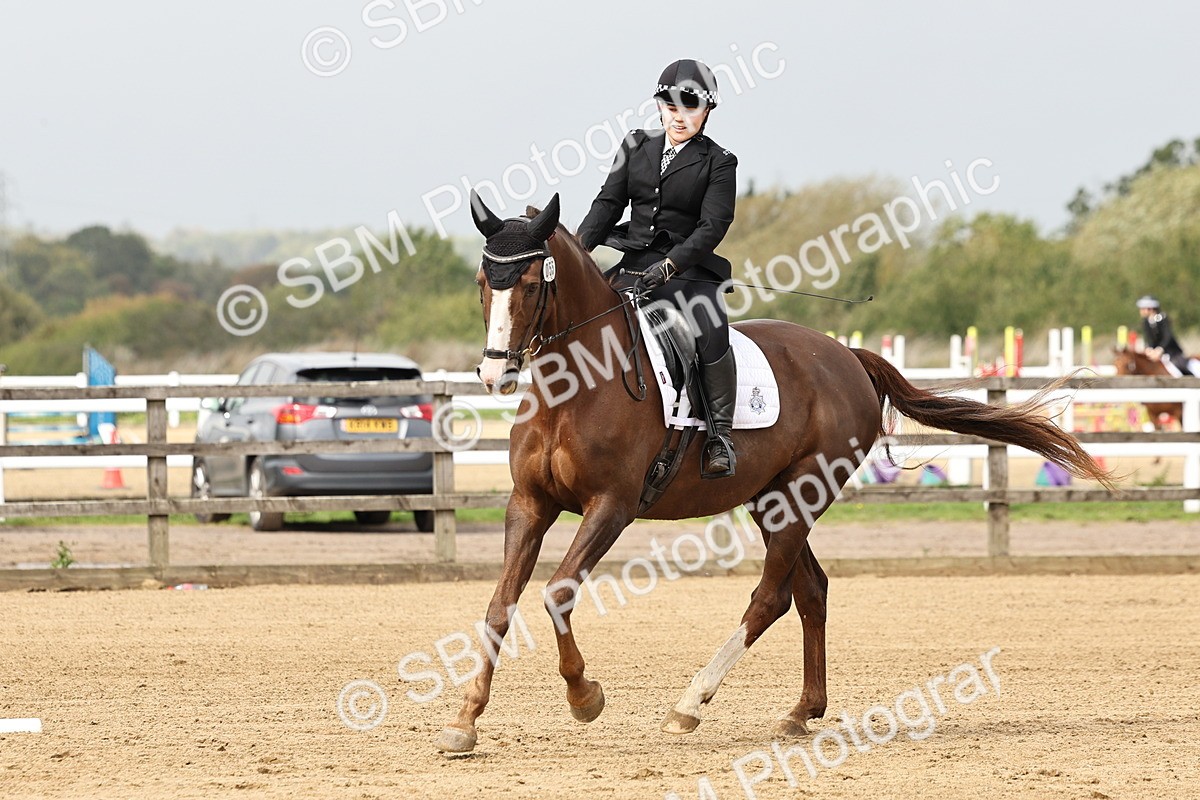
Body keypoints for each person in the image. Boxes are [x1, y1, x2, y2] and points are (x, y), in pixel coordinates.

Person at [576, 59, 739, 478]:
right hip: (631, 265)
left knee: (710, 326)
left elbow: (713, 225)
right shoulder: (635, 145)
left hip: (687, 272)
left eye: (690, 107)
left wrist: (670, 266)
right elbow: (608, 203)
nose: (679, 116)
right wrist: (580, 251)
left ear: (706, 111)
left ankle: (720, 437)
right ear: (660, 105)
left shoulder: (718, 161)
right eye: (671, 106)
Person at [1137, 295, 1198, 377]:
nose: (1140, 311)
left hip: (1171, 353)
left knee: (1181, 365)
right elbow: (1148, 338)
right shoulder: (1146, 322)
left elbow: (1168, 336)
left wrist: (1160, 349)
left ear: (1150, 308)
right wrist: (1149, 349)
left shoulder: (1162, 318)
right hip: (1156, 354)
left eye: (1142, 309)